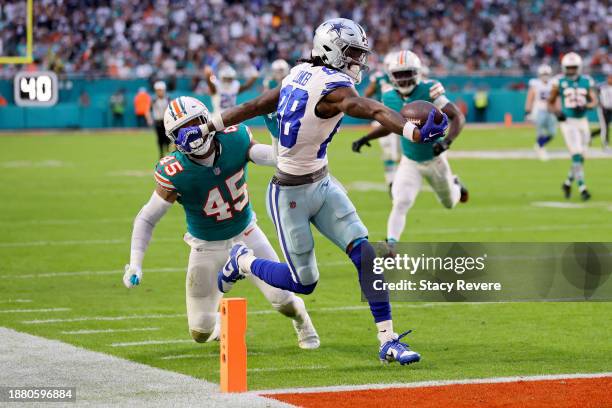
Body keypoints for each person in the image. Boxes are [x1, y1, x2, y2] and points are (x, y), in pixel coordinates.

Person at [176, 18, 447, 365]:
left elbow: (259, 104)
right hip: (289, 194)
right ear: (331, 49)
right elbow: (372, 109)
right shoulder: (335, 88)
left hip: (322, 182)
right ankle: (241, 261)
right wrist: (410, 130)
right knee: (304, 283)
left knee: (366, 254)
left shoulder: (299, 71)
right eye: (351, 53)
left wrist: (212, 123)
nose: (357, 61)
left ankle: (388, 339)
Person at [123, 96, 319, 349]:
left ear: (207, 121)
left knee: (284, 300)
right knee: (200, 331)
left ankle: (303, 322)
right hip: (206, 246)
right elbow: (147, 218)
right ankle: (225, 329)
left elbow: (273, 158)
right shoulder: (175, 171)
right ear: (173, 137)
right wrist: (135, 263)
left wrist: (280, 139)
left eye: (194, 124)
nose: (190, 133)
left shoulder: (234, 138)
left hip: (246, 234)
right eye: (181, 130)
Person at [352, 50, 468, 247]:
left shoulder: (430, 89)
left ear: (417, 72)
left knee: (449, 203)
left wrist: (447, 142)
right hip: (410, 161)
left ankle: (455, 184)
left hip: (434, 159)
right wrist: (366, 137)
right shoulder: (389, 97)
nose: (404, 79)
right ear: (391, 76)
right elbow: (389, 126)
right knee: (400, 202)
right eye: (399, 74)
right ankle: (391, 245)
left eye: (408, 73)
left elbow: (457, 115)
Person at [548, 52, 598, 201]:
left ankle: (567, 182)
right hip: (568, 122)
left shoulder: (586, 81)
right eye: (568, 68)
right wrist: (558, 113)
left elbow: (594, 101)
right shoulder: (559, 82)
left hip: (582, 121)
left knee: (581, 156)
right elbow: (550, 103)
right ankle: (583, 188)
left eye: (573, 68)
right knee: (576, 154)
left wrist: (586, 106)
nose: (570, 71)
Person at [362, 52, 399, 190]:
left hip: (397, 117)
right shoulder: (379, 78)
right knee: (388, 150)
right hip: (381, 118)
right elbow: (367, 94)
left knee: (398, 153)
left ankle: (399, 179)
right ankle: (391, 180)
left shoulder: (401, 78)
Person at [525, 64, 557, 160]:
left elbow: (556, 98)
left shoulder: (553, 84)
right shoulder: (535, 84)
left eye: (547, 73)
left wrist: (557, 110)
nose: (545, 75)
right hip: (539, 110)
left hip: (550, 111)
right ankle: (541, 148)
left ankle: (539, 145)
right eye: (543, 73)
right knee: (540, 132)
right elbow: (530, 98)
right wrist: (528, 111)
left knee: (552, 133)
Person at [590, 71, 612, 150]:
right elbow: (592, 91)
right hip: (603, 109)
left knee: (605, 127)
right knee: (605, 127)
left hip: (610, 109)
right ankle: (605, 144)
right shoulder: (602, 86)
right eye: (609, 78)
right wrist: (598, 102)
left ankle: (591, 135)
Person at [151, 81, 170, 158]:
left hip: (166, 121)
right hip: (158, 121)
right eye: (158, 90)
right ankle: (161, 154)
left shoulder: (167, 99)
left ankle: (168, 150)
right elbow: (149, 109)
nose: (159, 92)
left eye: (160, 90)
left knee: (168, 138)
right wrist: (149, 118)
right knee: (159, 139)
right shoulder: (154, 100)